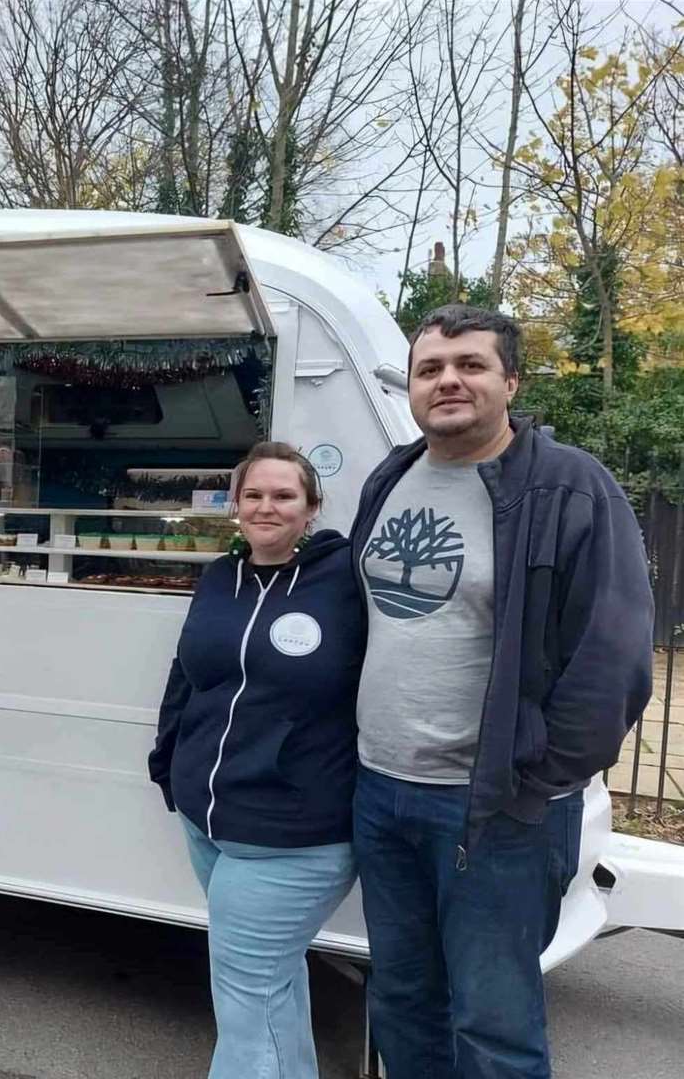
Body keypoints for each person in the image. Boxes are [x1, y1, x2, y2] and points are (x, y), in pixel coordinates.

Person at [349, 304, 654, 1078]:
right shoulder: (392, 475)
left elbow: (612, 654)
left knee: (492, 1023)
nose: (447, 380)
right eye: (429, 369)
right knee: (402, 999)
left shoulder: (569, 487)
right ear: (412, 388)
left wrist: (539, 782)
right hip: (381, 792)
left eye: (470, 365)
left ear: (509, 380)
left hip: (491, 808)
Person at [149, 441, 364, 1079]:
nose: (266, 507)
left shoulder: (349, 581)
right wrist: (169, 762)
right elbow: (186, 676)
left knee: (247, 1001)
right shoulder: (220, 576)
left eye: (283, 496)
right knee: (271, 986)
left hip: (293, 834)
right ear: (236, 506)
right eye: (253, 495)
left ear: (311, 506)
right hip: (207, 820)